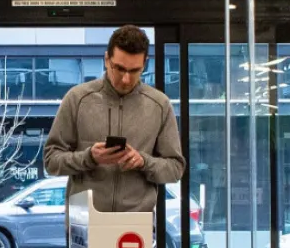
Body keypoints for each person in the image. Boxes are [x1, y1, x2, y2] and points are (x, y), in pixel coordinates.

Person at [43, 25, 185, 214]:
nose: (126, 79)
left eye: (134, 70)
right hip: (86, 221)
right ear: (106, 59)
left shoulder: (159, 105)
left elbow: (175, 168)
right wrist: (89, 157)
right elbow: (51, 161)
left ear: (145, 64)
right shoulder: (77, 99)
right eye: (119, 68)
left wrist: (143, 161)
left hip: (134, 226)